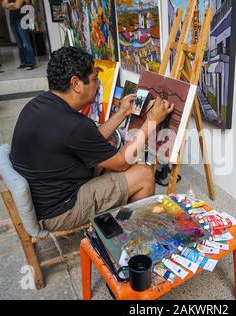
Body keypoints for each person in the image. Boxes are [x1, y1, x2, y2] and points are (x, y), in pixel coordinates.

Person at [10, 47, 174, 232]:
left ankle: (120, 219)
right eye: (95, 79)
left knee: (109, 147)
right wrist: (151, 121)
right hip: (59, 211)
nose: (97, 85)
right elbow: (121, 163)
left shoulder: (39, 104)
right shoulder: (72, 125)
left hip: (44, 197)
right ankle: (130, 238)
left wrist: (123, 112)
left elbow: (89, 139)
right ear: (76, 83)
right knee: (143, 173)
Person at [1, 0, 35, 70]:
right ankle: (23, 62)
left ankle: (31, 62)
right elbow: (3, 5)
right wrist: (11, 5)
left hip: (22, 19)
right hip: (12, 20)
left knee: (26, 42)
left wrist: (9, 5)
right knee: (19, 43)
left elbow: (17, 6)